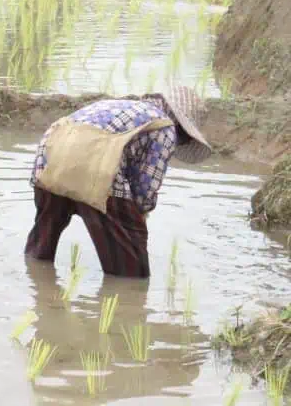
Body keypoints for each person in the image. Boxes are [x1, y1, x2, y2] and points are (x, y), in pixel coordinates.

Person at [24, 87, 213, 278]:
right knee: (131, 269)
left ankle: (36, 283)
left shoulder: (118, 105)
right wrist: (137, 218)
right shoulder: (164, 127)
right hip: (95, 172)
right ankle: (126, 301)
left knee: (42, 241)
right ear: (182, 126)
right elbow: (145, 190)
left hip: (49, 160)